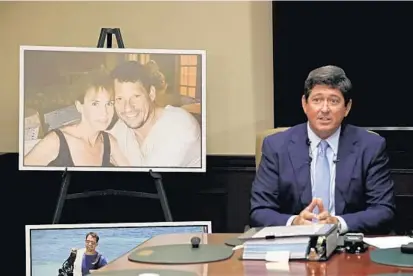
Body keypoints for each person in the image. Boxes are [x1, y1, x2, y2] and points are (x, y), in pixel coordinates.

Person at [249, 65, 396, 234]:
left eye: (333, 101)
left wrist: (338, 223)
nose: (324, 109)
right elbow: (259, 211)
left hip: (348, 245)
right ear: (305, 104)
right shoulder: (276, 146)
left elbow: (384, 210)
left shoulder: (370, 146)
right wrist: (294, 222)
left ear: (347, 108)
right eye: (317, 100)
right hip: (294, 244)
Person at [23, 71, 129, 167]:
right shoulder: (56, 141)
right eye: (95, 104)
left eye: (109, 104)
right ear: (79, 106)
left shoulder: (109, 142)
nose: (104, 112)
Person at [108, 60, 201, 167]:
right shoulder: (121, 128)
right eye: (120, 99)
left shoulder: (180, 124)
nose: (128, 108)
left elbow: (148, 180)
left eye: (136, 96)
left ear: (151, 93)